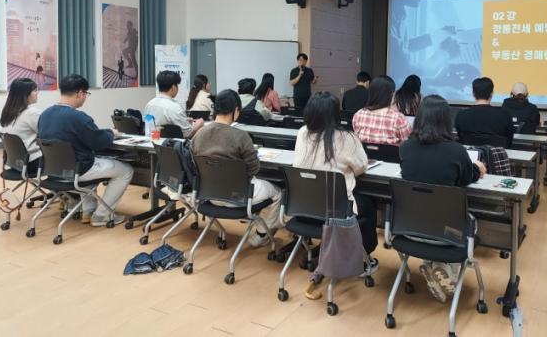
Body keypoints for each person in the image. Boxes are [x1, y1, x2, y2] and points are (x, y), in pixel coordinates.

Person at [400, 94, 487, 303]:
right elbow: (466, 178)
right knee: (463, 221)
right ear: (446, 120)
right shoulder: (456, 151)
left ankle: (434, 265)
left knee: (432, 212)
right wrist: (478, 168)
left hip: (409, 229)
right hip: (448, 234)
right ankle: (445, 270)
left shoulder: (405, 148)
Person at [293, 92, 379, 274]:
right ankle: (363, 257)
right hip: (336, 212)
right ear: (335, 114)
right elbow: (361, 167)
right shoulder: (346, 138)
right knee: (370, 203)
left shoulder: (302, 133)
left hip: (305, 209)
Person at [38, 74, 133, 226]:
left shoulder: (45, 115)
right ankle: (103, 215)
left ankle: (88, 210)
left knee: (90, 161)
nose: (85, 98)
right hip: (77, 170)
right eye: (86, 94)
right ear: (80, 93)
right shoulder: (78, 117)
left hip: (54, 171)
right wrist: (111, 133)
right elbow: (97, 142)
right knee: (126, 170)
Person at [191, 89, 282, 247]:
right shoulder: (241, 136)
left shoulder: (198, 135)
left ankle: (259, 229)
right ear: (236, 110)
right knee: (278, 192)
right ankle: (262, 234)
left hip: (210, 196)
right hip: (239, 197)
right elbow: (254, 169)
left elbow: (196, 166)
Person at [0, 78, 42, 175]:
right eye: (35, 90)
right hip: (32, 164)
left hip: (14, 163)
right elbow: (46, 134)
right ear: (25, 94)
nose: (37, 93)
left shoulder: (7, 112)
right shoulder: (31, 113)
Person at [455, 77, 514, 147]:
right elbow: (509, 142)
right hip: (497, 154)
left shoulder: (461, 116)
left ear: (473, 94)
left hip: (469, 153)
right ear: (492, 94)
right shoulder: (504, 116)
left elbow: (461, 140)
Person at [352, 76, 412, 145]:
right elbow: (408, 144)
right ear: (391, 94)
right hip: (391, 152)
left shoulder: (358, 115)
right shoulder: (398, 118)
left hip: (363, 152)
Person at [145, 71, 204, 138]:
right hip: (174, 143)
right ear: (173, 87)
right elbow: (187, 133)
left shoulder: (149, 104)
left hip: (154, 141)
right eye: (177, 85)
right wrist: (199, 124)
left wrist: (183, 119)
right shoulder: (175, 108)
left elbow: (152, 126)